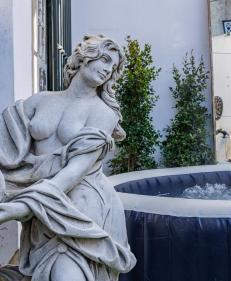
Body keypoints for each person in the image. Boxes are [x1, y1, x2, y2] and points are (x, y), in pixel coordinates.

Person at [0, 35, 136, 281]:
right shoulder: (40, 100)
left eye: (113, 66)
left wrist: (20, 207)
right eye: (104, 59)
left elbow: (73, 173)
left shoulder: (103, 113)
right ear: (84, 57)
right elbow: (6, 145)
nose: (107, 69)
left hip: (80, 207)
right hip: (43, 205)